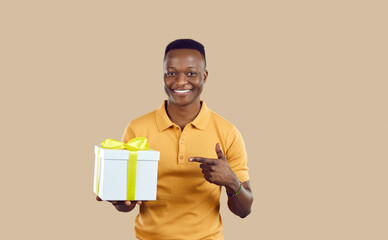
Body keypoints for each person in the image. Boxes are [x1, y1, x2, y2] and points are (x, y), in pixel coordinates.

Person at [96, 39, 253, 239]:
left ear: (204, 76)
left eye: (191, 73)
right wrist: (120, 202)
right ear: (162, 76)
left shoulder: (228, 132)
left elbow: (244, 210)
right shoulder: (137, 128)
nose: (180, 82)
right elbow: (129, 204)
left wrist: (232, 181)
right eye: (171, 73)